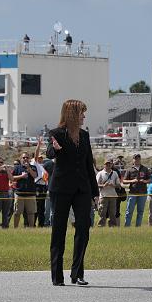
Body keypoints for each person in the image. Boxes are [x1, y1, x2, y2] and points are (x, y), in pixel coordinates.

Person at [47, 99, 98, 286]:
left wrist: (95, 192)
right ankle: (57, 276)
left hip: (82, 189)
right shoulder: (56, 133)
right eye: (81, 113)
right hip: (61, 189)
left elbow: (88, 165)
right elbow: (49, 153)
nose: (84, 116)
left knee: (83, 230)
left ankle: (77, 273)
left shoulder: (84, 135)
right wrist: (56, 150)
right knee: (58, 232)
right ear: (72, 114)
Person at [122, 153, 150, 227]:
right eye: (135, 158)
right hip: (132, 193)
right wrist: (132, 181)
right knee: (129, 211)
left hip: (143, 193)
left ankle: (138, 226)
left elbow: (150, 179)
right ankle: (127, 226)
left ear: (140, 159)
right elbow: (124, 181)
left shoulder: (145, 169)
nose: (137, 160)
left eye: (138, 158)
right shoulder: (129, 170)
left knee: (140, 211)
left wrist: (145, 181)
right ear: (133, 160)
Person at [12, 152, 38, 228]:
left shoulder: (33, 167)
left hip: (30, 194)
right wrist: (21, 176)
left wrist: (29, 169)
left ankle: (31, 228)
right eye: (24, 158)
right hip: (19, 194)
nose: (25, 159)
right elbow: (12, 178)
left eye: (27, 157)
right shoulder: (17, 168)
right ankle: (15, 229)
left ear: (29, 159)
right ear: (21, 159)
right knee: (17, 212)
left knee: (31, 213)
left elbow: (35, 176)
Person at [96, 158, 120, 227]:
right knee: (102, 213)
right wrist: (103, 185)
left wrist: (114, 185)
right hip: (103, 196)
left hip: (113, 196)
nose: (108, 165)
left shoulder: (115, 173)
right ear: (104, 165)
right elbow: (96, 184)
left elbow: (119, 185)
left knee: (112, 214)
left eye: (109, 164)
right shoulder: (100, 173)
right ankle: (101, 226)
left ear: (112, 164)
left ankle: (112, 227)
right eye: (106, 164)